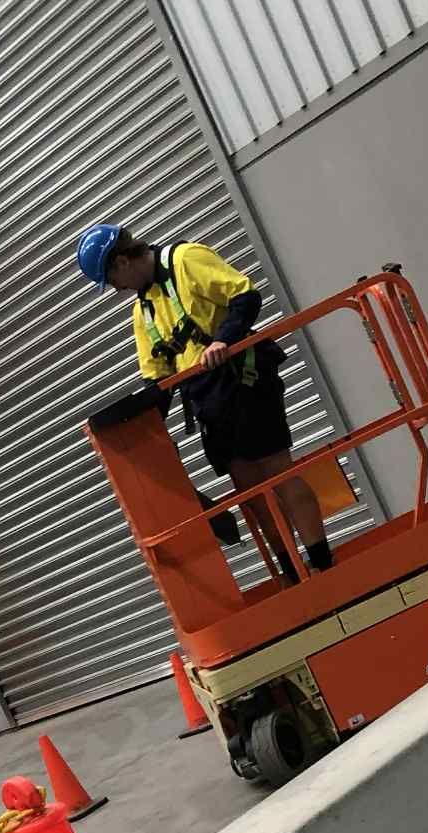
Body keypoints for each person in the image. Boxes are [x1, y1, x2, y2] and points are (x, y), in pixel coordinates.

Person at [77, 222, 332, 580]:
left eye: (113, 281)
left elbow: (245, 296)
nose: (117, 290)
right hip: (210, 400)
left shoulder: (186, 259)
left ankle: (321, 563)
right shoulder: (144, 310)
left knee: (278, 471)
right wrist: (145, 435)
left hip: (245, 379)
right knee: (249, 490)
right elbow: (158, 377)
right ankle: (293, 571)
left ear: (121, 262)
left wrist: (222, 341)